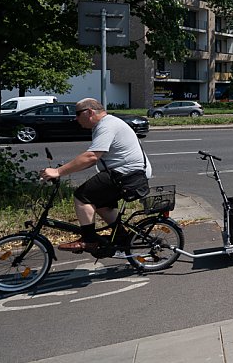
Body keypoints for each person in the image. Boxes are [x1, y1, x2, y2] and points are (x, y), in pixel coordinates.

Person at [40, 98, 152, 253]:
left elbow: (92, 156)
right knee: (101, 204)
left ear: (90, 112)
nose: (76, 119)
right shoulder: (104, 125)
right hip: (127, 172)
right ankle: (121, 237)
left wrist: (58, 172)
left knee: (82, 196)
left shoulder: (107, 125)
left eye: (78, 114)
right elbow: (92, 159)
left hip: (129, 174)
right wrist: (65, 169)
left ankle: (89, 240)